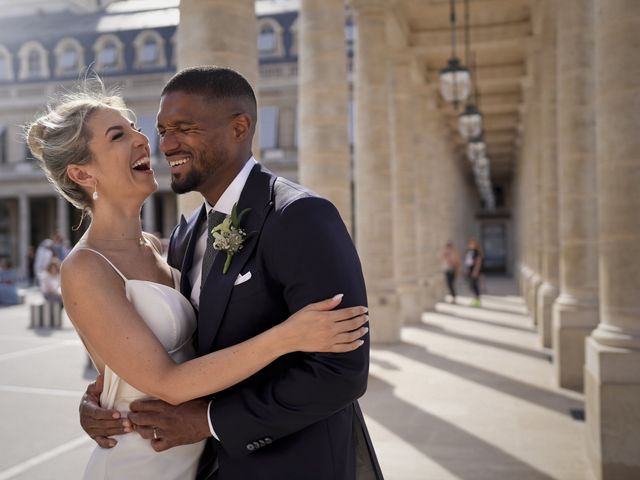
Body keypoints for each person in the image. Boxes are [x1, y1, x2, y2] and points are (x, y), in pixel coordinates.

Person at [26, 79, 370, 479]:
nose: (154, 142)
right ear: (82, 174)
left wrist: (203, 420)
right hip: (147, 460)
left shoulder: (170, 244)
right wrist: (287, 336)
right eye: (125, 134)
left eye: (180, 128)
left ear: (239, 128)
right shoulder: (166, 243)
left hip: (272, 463)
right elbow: (154, 376)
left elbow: (341, 372)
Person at [464, 238, 483, 307]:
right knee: (471, 285)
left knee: (474, 285)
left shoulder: (477, 252)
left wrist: (475, 271)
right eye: (470, 244)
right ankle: (475, 299)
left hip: (474, 271)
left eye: (472, 244)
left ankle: (477, 300)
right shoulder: (470, 252)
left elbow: (478, 262)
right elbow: (468, 262)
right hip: (470, 270)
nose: (470, 245)